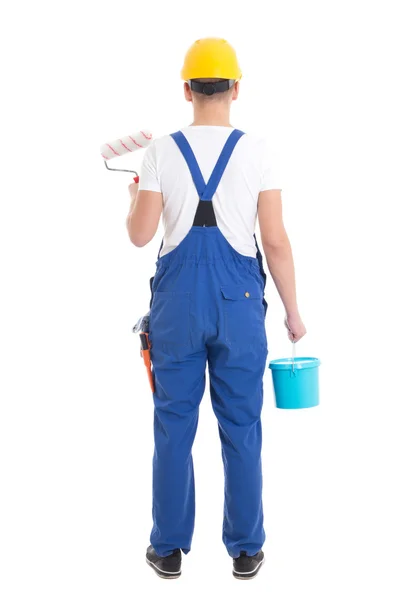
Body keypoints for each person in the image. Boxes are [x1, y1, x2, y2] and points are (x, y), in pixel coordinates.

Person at [126, 37, 306, 580]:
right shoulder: (258, 152)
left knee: (173, 426)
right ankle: (246, 549)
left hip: (177, 307)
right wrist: (293, 312)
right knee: (242, 427)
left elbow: (139, 236)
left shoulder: (160, 152)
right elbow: (273, 241)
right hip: (241, 306)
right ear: (236, 89)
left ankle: (168, 549)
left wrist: (134, 197)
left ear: (186, 89)